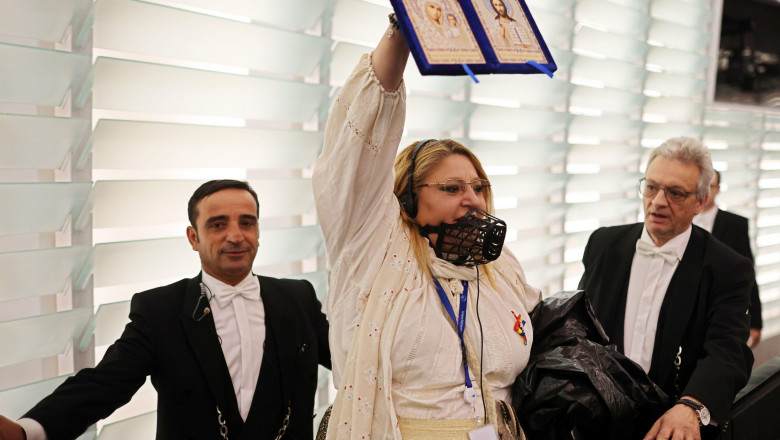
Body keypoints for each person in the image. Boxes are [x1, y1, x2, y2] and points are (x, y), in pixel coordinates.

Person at [312, 16, 540, 440]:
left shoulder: (501, 267)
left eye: (478, 187)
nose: (471, 199)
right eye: (452, 188)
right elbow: (357, 148)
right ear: (410, 199)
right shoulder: (374, 248)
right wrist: (405, 28)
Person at [0, 180, 331, 440]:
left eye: (247, 223)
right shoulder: (159, 309)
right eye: (218, 224)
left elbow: (357, 359)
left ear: (258, 232)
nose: (235, 236)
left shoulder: (298, 297)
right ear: (193, 237)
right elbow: (106, 383)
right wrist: (27, 431)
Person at [578, 137, 754, 440]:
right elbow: (579, 326)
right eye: (651, 187)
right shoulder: (603, 244)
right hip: (599, 418)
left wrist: (692, 406)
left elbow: (728, 352)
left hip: (671, 422)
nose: (658, 201)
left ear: (700, 201)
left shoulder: (727, 267)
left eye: (675, 193)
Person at [693, 170, 762, 348]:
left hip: (722, 311)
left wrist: (755, 321)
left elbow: (747, 272)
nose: (705, 191)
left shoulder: (736, 224)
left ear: (718, 189)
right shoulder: (682, 222)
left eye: (711, 186)